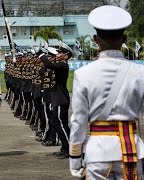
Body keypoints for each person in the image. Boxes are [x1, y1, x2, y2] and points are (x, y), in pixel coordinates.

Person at [69, 5, 144, 179]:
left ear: (96, 39)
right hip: (131, 150)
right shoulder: (140, 72)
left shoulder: (83, 74)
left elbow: (78, 121)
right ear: (124, 39)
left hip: (98, 153)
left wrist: (74, 158)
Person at [38, 44, 72, 157]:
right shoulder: (60, 65)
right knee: (59, 123)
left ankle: (69, 148)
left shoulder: (63, 65)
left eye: (60, 53)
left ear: (66, 56)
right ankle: (65, 147)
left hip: (61, 98)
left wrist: (41, 55)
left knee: (60, 124)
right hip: (58, 97)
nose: (57, 54)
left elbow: (49, 65)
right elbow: (46, 68)